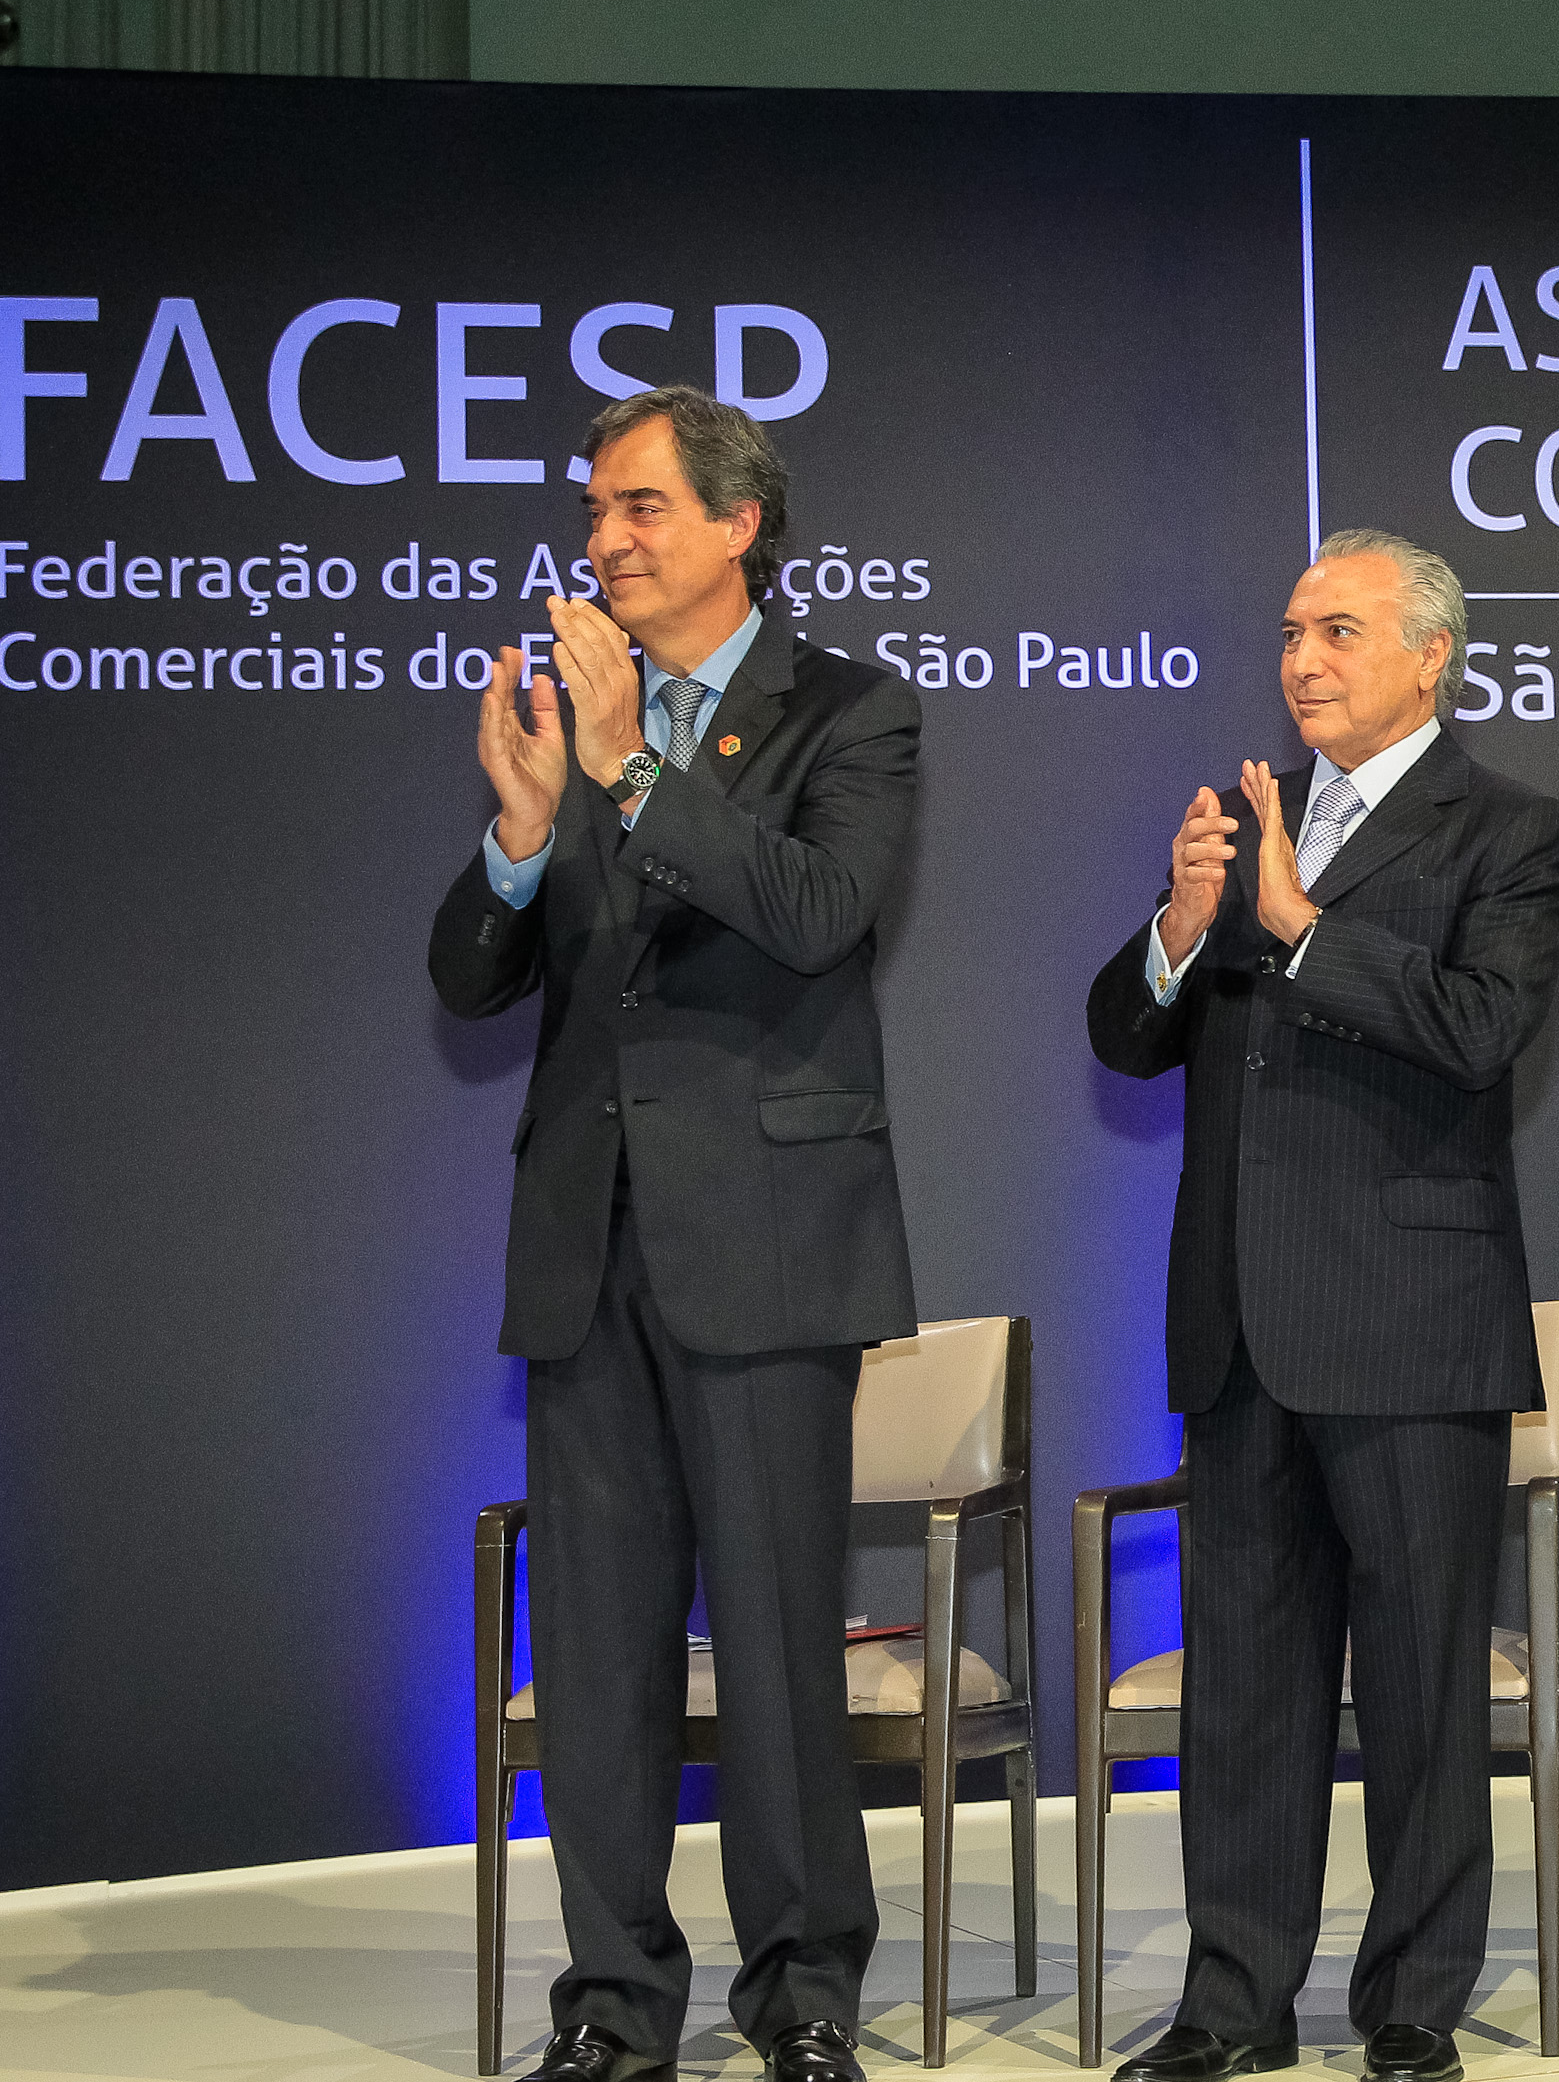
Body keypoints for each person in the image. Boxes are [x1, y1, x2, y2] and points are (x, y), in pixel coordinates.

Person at [431, 385, 920, 2082]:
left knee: (780, 1642)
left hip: (771, 1239)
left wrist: (634, 761)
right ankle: (615, 2006)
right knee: (599, 1653)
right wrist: (515, 830)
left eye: (638, 508)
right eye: (593, 511)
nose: (602, 540)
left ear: (739, 524)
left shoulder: (848, 711)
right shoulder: (566, 718)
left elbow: (812, 913)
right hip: (587, 1247)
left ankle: (801, 1999)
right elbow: (468, 980)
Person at [1085, 528, 1559, 2082]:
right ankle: (1230, 2002)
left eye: (1337, 630)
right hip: (1238, 1323)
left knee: (1424, 1683)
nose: (1302, 657)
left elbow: (1481, 1026)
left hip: (1409, 1317)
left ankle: (1413, 2000)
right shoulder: (1245, 817)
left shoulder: (1507, 825)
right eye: (1292, 629)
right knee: (1243, 1683)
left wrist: (1299, 926)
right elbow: (1123, 1036)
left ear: (1430, 654)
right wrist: (1180, 919)